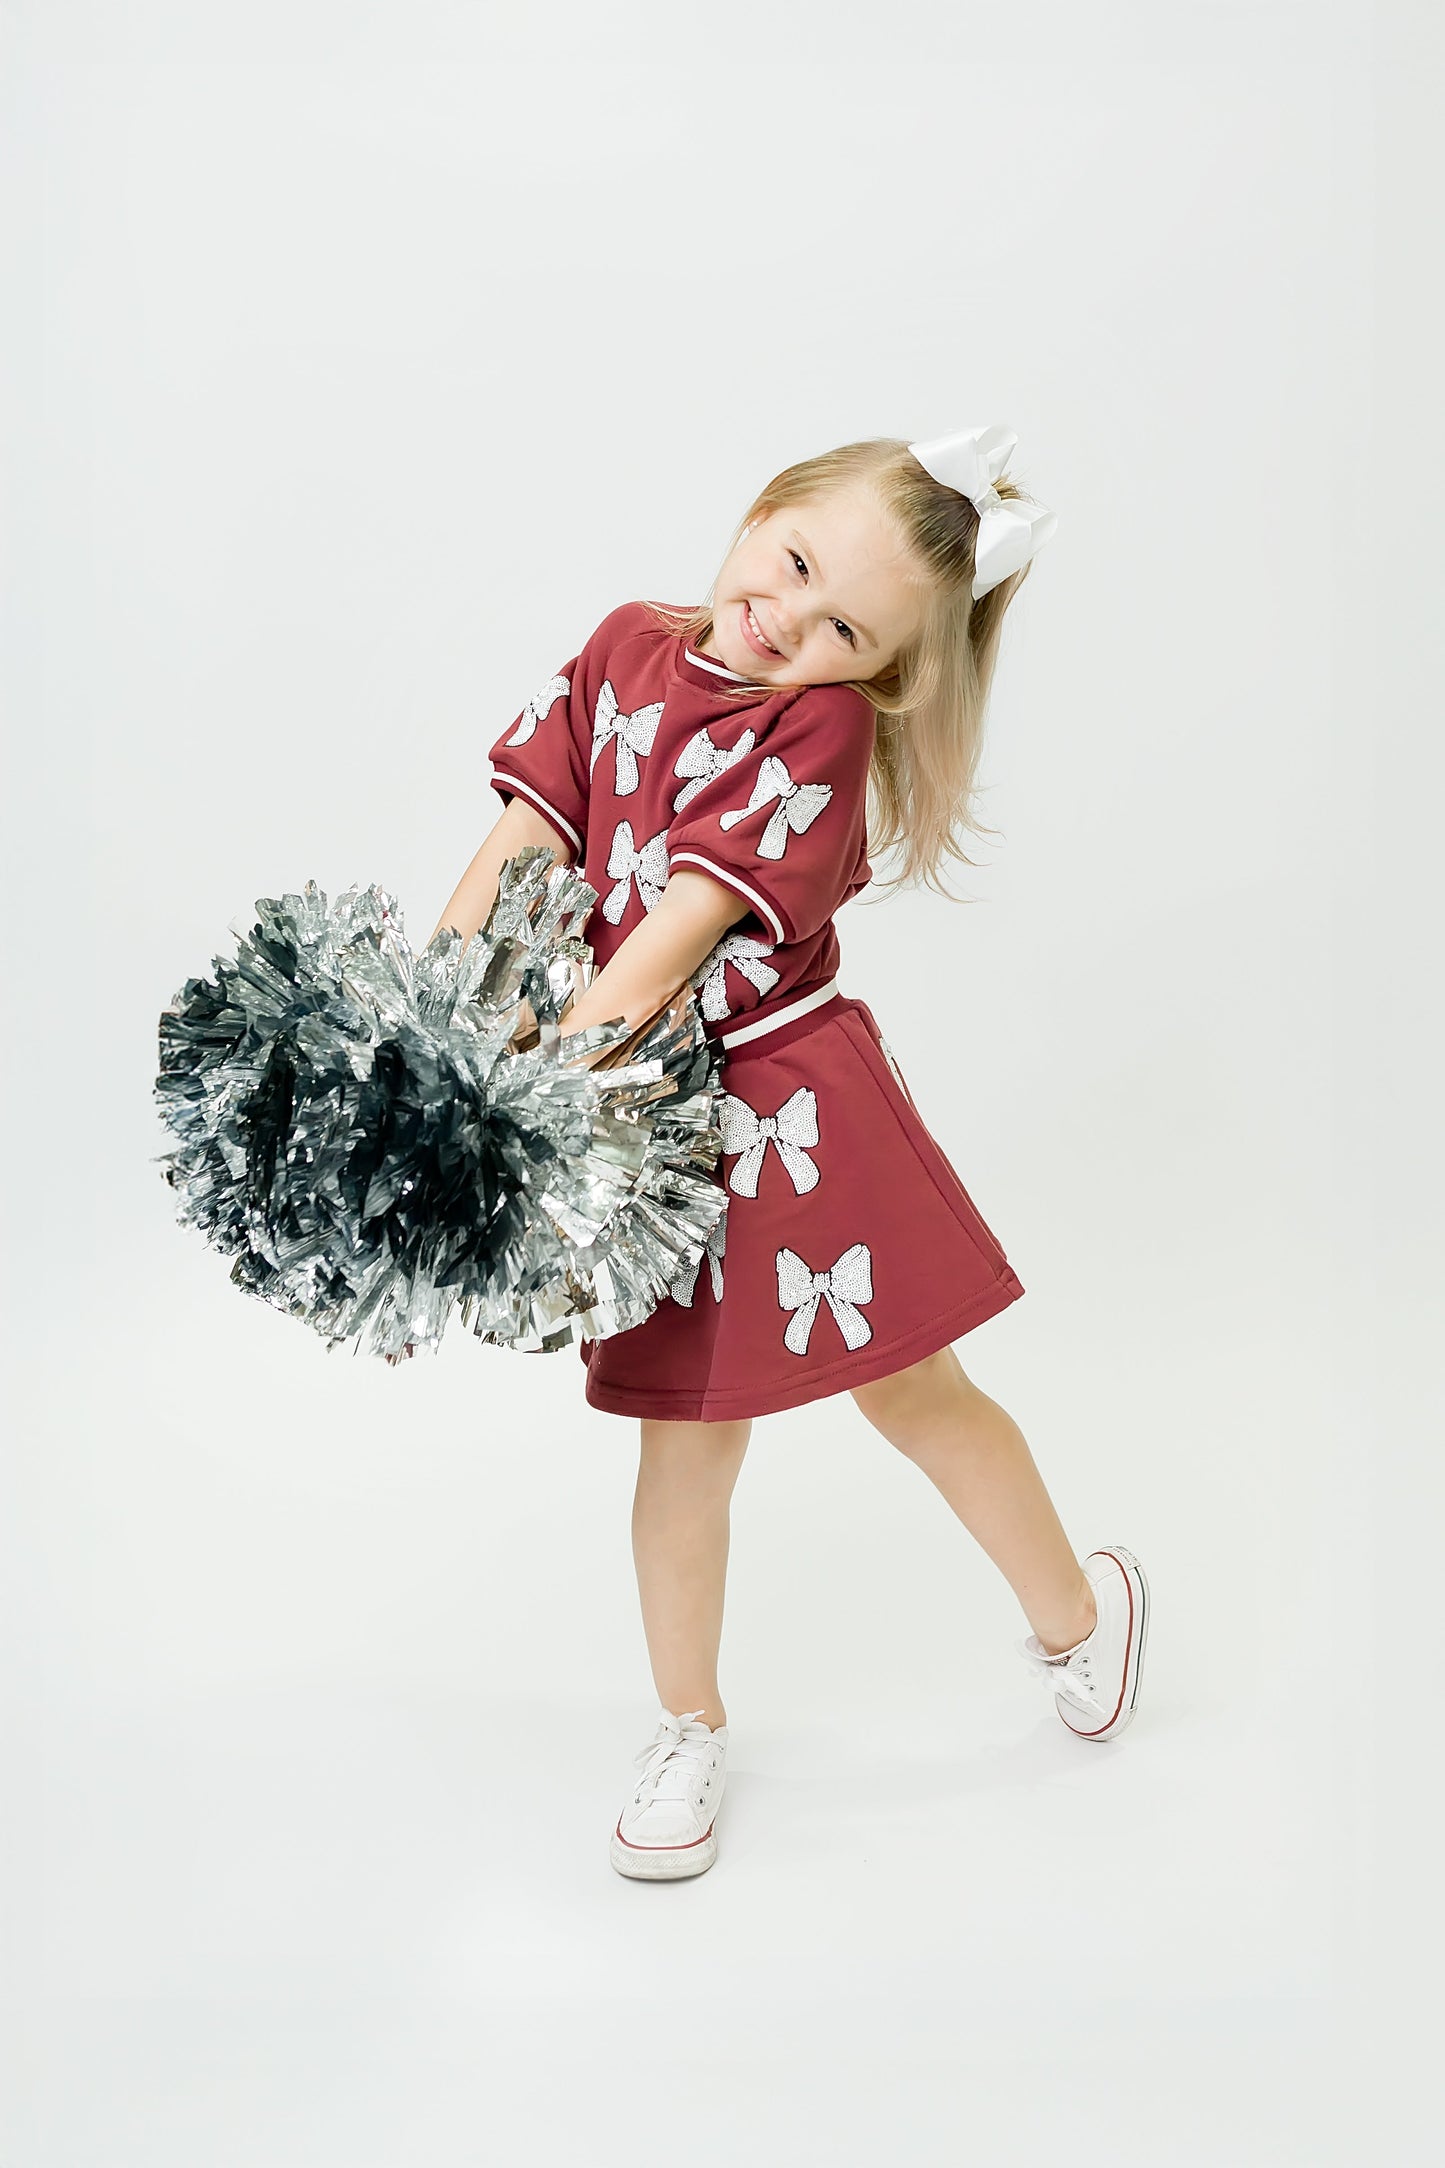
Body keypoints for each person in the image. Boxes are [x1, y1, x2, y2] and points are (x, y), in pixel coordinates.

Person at [433, 426, 1149, 1882]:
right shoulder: (624, 644)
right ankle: (686, 1728)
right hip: (654, 1117)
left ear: (876, 674)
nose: (790, 621)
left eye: (845, 631)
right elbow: (521, 840)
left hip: (786, 1106)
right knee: (685, 1440)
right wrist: (433, 1013)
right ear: (763, 511)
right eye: (796, 561)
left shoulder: (818, 731)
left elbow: (673, 940)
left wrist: (533, 1087)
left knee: (915, 1392)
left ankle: (1080, 1620)